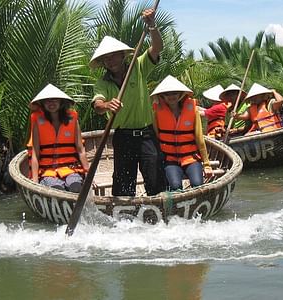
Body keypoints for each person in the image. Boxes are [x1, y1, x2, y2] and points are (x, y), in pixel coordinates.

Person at [89, 8, 165, 196]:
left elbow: (157, 48)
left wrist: (152, 25)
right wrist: (106, 105)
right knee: (123, 188)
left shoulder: (137, 67)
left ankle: (160, 216)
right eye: (106, 58)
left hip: (147, 135)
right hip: (123, 137)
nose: (110, 60)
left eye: (113, 55)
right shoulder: (103, 82)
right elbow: (97, 105)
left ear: (123, 55)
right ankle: (126, 221)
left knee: (156, 182)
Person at [151, 75, 213, 191]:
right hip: (170, 160)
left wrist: (207, 164)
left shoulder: (193, 111)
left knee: (197, 184)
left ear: (180, 94)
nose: (171, 97)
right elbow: (156, 137)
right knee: (175, 186)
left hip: (191, 158)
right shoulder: (156, 112)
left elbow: (200, 138)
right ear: (162, 97)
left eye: (174, 93)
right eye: (167, 94)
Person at [29, 83, 89, 193]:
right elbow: (35, 153)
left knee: (75, 187)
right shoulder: (37, 120)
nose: (51, 103)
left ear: (61, 102)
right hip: (48, 172)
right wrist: (35, 179)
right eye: (48, 100)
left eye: (55, 100)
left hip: (71, 169)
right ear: (42, 103)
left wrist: (87, 172)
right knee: (57, 189)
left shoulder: (72, 118)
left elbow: (80, 150)